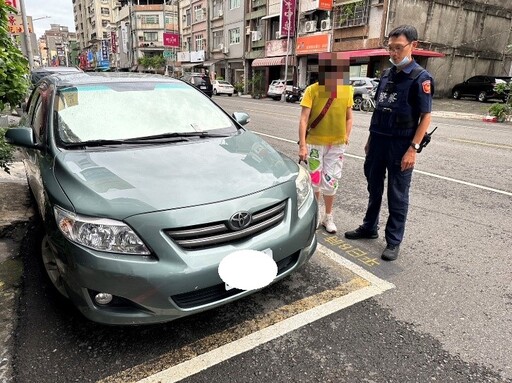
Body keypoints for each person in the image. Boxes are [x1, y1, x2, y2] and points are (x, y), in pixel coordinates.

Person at [344, 25, 434, 261]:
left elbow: (425, 117)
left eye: (398, 48)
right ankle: (369, 227)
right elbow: (380, 112)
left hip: (401, 144)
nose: (393, 53)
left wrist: (412, 149)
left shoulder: (420, 78)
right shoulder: (386, 75)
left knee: (397, 194)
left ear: (413, 45)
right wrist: (370, 139)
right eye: (390, 48)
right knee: (373, 187)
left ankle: (393, 241)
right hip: (378, 142)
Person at [298, 52, 354, 234]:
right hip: (314, 143)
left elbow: (349, 117)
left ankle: (328, 217)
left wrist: (346, 135)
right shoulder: (312, 90)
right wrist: (303, 146)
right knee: (315, 181)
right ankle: (316, 213)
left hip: (336, 145)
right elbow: (304, 119)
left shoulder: (347, 90)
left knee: (331, 182)